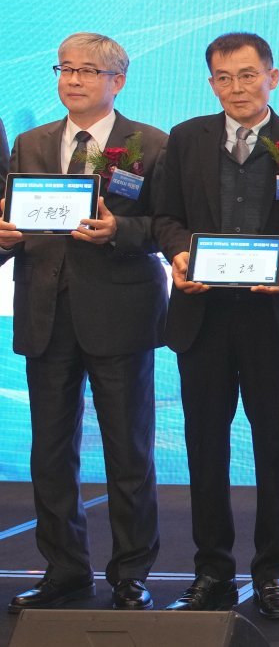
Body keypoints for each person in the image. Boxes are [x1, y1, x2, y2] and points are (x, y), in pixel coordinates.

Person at [153, 32, 279, 619]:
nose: (237, 88)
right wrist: (179, 254)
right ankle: (212, 572)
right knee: (205, 448)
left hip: (272, 318)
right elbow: (165, 217)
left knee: (276, 448)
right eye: (224, 78)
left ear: (272, 77)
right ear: (210, 83)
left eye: (248, 75)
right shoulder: (186, 138)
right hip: (201, 317)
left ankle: (272, 573)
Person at [1, 33, 166, 612]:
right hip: (45, 313)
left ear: (117, 80)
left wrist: (121, 230)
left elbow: (167, 225)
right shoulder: (30, 142)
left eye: (88, 70)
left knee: (128, 450)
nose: (72, 79)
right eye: (65, 68)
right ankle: (65, 569)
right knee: (50, 451)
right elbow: (14, 219)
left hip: (120, 312)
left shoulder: (150, 143)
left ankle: (131, 573)